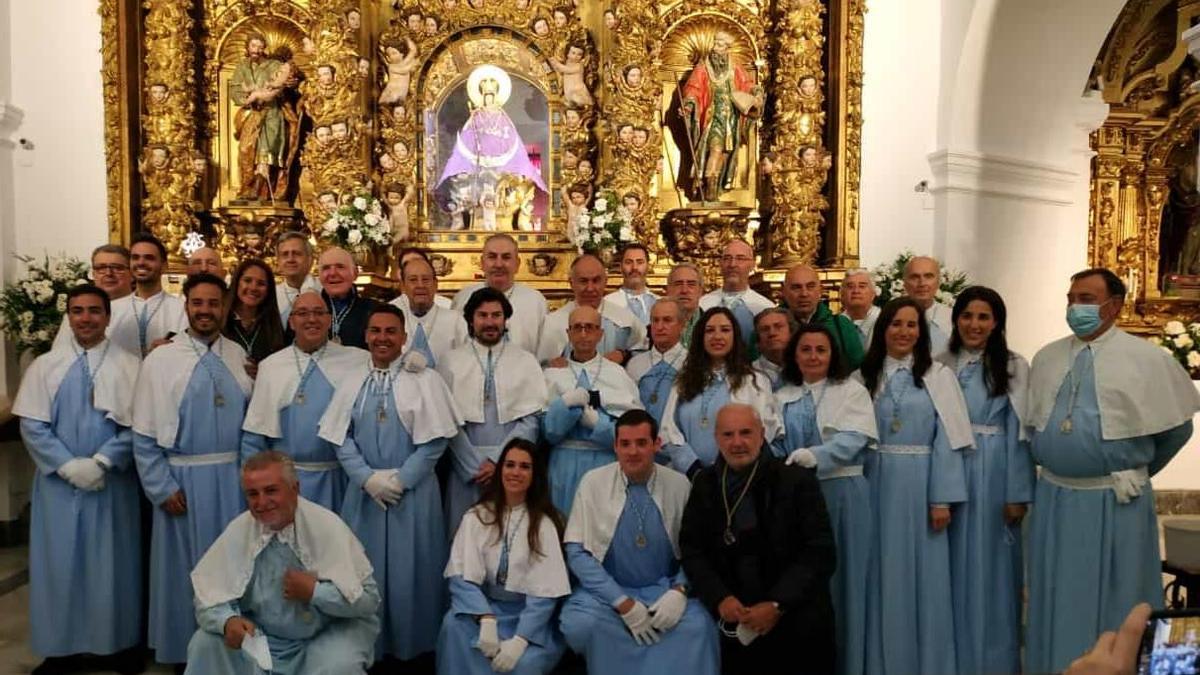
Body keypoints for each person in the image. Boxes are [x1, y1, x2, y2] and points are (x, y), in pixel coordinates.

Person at [1025, 268, 1200, 674]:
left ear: (1114, 305)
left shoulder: (1147, 358)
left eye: (1085, 298)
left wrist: (1133, 471)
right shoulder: (1047, 356)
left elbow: (1178, 429)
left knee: (1117, 598)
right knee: (1057, 595)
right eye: (1071, 298)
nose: (1074, 307)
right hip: (1056, 497)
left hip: (1116, 500)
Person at [319, 305, 462, 667]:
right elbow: (339, 437)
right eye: (376, 331)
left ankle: (415, 650)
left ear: (403, 337)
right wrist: (367, 478)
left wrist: (400, 480)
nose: (382, 338)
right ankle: (370, 649)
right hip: (365, 493)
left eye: (390, 331)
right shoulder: (352, 379)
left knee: (413, 571)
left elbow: (435, 442)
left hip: (412, 494)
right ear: (366, 336)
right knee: (365, 571)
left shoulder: (425, 379)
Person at [14, 285, 144, 675]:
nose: (85, 318)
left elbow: (140, 426)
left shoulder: (130, 365)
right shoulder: (45, 367)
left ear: (107, 316)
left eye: (93, 311)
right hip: (59, 486)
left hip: (113, 486)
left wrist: (103, 461)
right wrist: (69, 466)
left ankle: (116, 646)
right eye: (77, 311)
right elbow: (33, 425)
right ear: (67, 316)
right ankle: (61, 649)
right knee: (60, 565)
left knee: (114, 567)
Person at [133, 273, 253, 667]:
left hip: (233, 482)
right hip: (181, 483)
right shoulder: (162, 360)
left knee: (234, 567)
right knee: (183, 570)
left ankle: (231, 648)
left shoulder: (236, 355)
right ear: (186, 306)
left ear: (225, 307)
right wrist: (160, 486)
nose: (205, 311)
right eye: (197, 303)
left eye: (213, 303)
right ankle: (181, 650)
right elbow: (145, 432)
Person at [857, 297, 973, 675]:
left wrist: (942, 497)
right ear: (882, 329)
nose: (903, 332)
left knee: (924, 580)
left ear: (921, 333)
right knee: (877, 573)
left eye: (911, 325)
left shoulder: (938, 377)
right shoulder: (864, 375)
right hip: (874, 480)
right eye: (896, 324)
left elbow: (948, 437)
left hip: (923, 484)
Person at [185, 452, 380, 674]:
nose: (261, 502)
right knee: (205, 643)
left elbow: (369, 601)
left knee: (336, 666)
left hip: (326, 635)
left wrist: (315, 592)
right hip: (264, 637)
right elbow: (207, 596)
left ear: (295, 489)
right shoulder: (240, 531)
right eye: (252, 494)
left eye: (271, 491)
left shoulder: (327, 527)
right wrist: (227, 621)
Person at [560, 410, 720, 675]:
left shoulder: (679, 484)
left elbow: (699, 549)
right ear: (615, 446)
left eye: (641, 443)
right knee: (579, 626)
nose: (633, 452)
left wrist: (680, 591)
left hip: (664, 590)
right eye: (625, 444)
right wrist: (622, 603)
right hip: (608, 594)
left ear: (656, 445)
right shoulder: (593, 482)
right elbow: (576, 552)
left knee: (699, 627)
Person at [680, 403, 837, 674]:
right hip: (735, 616)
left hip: (793, 615)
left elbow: (819, 553)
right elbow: (693, 551)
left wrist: (777, 604)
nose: (737, 443)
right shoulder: (705, 483)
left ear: (762, 433)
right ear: (716, 438)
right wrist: (720, 598)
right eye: (728, 435)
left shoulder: (796, 480)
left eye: (745, 433)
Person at [938, 286, 1034, 675]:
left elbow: (1019, 431)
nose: (974, 325)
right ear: (955, 319)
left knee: (992, 567)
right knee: (949, 563)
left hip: (994, 470)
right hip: (949, 465)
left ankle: (992, 659)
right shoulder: (939, 363)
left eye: (983, 317)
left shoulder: (1012, 365)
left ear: (996, 323)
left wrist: (1017, 492)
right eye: (967, 316)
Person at [772, 324, 877, 675]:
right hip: (797, 499)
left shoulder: (851, 391)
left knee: (845, 581)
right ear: (794, 355)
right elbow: (772, 439)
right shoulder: (782, 395)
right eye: (806, 349)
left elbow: (854, 439)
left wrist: (816, 457)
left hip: (843, 491)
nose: (813, 356)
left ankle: (850, 663)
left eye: (821, 349)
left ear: (833, 354)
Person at [437, 439, 570, 675]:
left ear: (534, 474)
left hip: (527, 617)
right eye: (509, 465)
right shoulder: (477, 516)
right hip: (484, 609)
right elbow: (460, 577)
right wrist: (485, 617)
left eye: (524, 466)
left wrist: (520, 640)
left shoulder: (545, 523)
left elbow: (545, 595)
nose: (515, 472)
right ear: (500, 471)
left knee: (523, 664)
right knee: (453, 625)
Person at [241, 291, 366, 511]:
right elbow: (254, 437)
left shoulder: (356, 361)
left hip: (341, 479)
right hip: (285, 483)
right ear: (291, 321)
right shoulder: (272, 366)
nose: (311, 319)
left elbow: (391, 364)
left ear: (329, 319)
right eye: (303, 313)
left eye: (319, 312)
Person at [438, 288, 545, 537]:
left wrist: (500, 462)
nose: (489, 322)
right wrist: (473, 467)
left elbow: (531, 419)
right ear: (470, 319)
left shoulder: (524, 360)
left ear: (505, 319)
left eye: (496, 315)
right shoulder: (450, 361)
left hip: (511, 468)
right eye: (482, 315)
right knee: (463, 539)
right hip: (465, 468)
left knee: (509, 536)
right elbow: (447, 421)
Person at [542, 305, 642, 515]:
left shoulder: (618, 375)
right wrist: (565, 406)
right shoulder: (553, 375)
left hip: (605, 462)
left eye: (590, 327)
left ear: (600, 333)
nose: (584, 334)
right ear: (568, 333)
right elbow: (547, 432)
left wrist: (599, 425)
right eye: (577, 328)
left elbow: (633, 431)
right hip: (564, 464)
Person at [661, 307, 780, 477]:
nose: (717, 336)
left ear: (735, 336)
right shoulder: (684, 380)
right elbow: (668, 430)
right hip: (689, 476)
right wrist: (693, 468)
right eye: (710, 331)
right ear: (701, 337)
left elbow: (766, 429)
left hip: (741, 477)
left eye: (725, 330)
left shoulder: (754, 381)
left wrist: (736, 465)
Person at [679, 30, 762, 201]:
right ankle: (708, 185)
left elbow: (748, 84)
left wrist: (756, 94)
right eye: (715, 44)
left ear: (727, 48)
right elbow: (692, 89)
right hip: (712, 118)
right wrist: (688, 104)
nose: (716, 48)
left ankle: (715, 190)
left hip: (731, 119)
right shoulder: (704, 67)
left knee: (724, 154)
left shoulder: (734, 67)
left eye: (720, 45)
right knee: (715, 150)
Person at [537, 254, 645, 365]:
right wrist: (552, 364)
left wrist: (624, 355)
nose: (590, 288)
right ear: (571, 283)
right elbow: (541, 367)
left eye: (596, 280)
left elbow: (642, 355)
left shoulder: (624, 318)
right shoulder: (554, 322)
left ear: (605, 281)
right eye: (583, 281)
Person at [453, 234, 547, 356]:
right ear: (482, 262)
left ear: (517, 264)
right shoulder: (463, 298)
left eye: (506, 257)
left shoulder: (535, 301)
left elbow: (544, 354)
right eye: (492, 257)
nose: (498, 264)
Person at [51, 244, 133, 352]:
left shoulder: (139, 308)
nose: (109, 273)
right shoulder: (77, 310)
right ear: (93, 274)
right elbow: (59, 355)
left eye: (117, 268)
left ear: (132, 273)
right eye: (101, 268)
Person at [782, 264, 864, 369]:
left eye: (810, 286)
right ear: (783, 291)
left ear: (820, 289)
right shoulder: (773, 327)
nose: (804, 293)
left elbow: (858, 369)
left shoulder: (841, 326)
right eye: (796, 287)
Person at [391, 255, 467, 368]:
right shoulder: (393, 320)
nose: (420, 285)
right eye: (413, 280)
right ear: (403, 286)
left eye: (425, 279)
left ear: (436, 284)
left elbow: (465, 364)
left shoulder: (455, 320)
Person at [626, 297, 688, 426]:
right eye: (655, 320)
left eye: (667, 320)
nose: (660, 327)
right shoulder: (635, 364)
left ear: (682, 325)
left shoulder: (692, 363)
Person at [699, 240, 774, 344]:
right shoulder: (703, 305)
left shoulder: (764, 308)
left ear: (752, 264)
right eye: (727, 258)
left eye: (740, 258)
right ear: (720, 264)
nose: (732, 264)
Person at [222, 258, 286, 377]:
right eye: (247, 280)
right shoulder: (220, 322)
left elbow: (281, 370)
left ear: (268, 290)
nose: (253, 288)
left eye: (261, 283)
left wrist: (262, 373)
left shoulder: (273, 326)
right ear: (237, 283)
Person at [128, 233, 187, 357]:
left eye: (149, 258)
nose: (141, 263)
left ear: (164, 266)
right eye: (135, 257)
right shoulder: (114, 308)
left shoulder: (181, 309)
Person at [314, 247, 375, 349]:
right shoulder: (306, 312)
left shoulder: (374, 310)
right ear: (319, 275)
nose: (332, 273)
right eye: (326, 268)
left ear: (355, 274)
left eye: (340, 267)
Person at [903, 256, 952, 353]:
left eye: (928, 276)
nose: (922, 283)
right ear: (905, 283)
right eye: (915, 277)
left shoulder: (952, 318)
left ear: (938, 282)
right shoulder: (890, 318)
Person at [605, 243, 659, 330]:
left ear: (648, 266)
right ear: (620, 267)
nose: (634, 267)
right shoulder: (608, 304)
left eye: (640, 262)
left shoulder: (660, 302)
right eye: (629, 262)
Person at [274, 232, 320, 323]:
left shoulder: (324, 290)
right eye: (285, 254)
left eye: (297, 254)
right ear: (278, 261)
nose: (290, 259)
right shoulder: (272, 295)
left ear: (310, 259)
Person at [751, 308, 794, 390]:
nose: (772, 333)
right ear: (758, 341)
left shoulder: (807, 370)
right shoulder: (747, 375)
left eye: (778, 327)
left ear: (792, 333)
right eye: (765, 329)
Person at [666, 263, 705, 348]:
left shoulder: (714, 327)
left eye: (691, 284)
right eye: (678, 284)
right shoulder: (653, 330)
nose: (684, 290)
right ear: (668, 290)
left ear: (700, 291)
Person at [839, 268, 880, 348]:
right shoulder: (836, 325)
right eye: (850, 287)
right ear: (842, 294)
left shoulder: (886, 321)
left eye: (862, 286)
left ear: (873, 293)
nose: (856, 291)